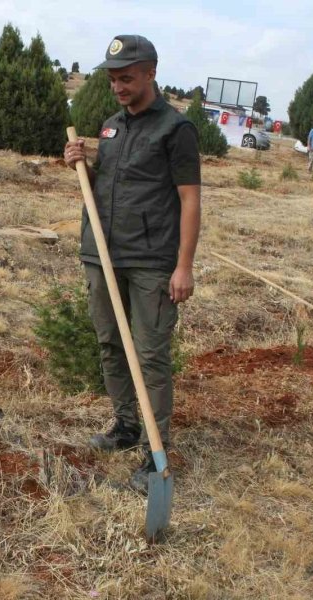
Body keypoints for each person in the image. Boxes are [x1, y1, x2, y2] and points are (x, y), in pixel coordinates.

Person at [63, 35, 201, 492]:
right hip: (101, 253)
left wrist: (184, 266)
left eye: (126, 78)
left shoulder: (175, 130)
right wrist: (83, 161)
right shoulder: (110, 127)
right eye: (112, 79)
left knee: (151, 355)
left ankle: (152, 449)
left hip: (151, 262)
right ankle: (124, 427)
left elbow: (189, 201)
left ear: (151, 72)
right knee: (109, 344)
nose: (118, 86)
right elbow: (114, 182)